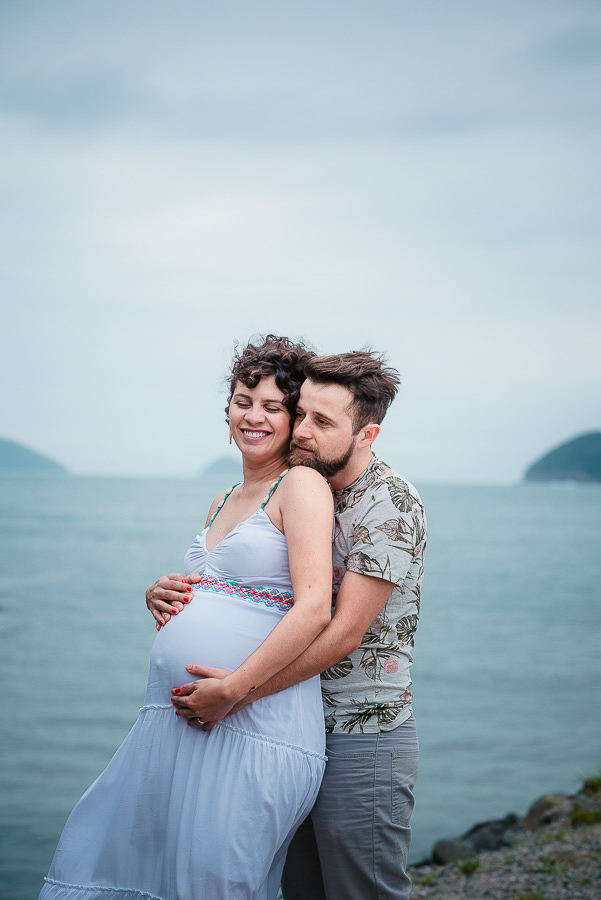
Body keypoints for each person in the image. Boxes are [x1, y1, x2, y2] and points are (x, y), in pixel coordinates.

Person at [40, 335, 334, 900]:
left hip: (254, 724)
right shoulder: (223, 498)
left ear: (294, 419)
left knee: (216, 884)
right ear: (226, 409)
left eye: (273, 406)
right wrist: (163, 594)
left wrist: (233, 689)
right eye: (243, 400)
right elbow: (227, 586)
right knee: (142, 873)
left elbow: (315, 607)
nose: (254, 416)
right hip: (182, 726)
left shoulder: (300, 485)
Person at [151, 351, 427, 900]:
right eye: (301, 414)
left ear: (367, 433)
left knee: (361, 891)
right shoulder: (304, 484)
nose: (302, 431)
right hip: (289, 726)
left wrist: (236, 691)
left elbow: (343, 631)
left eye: (323, 423)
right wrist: (175, 593)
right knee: (299, 889)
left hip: (358, 731)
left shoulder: (389, 504)